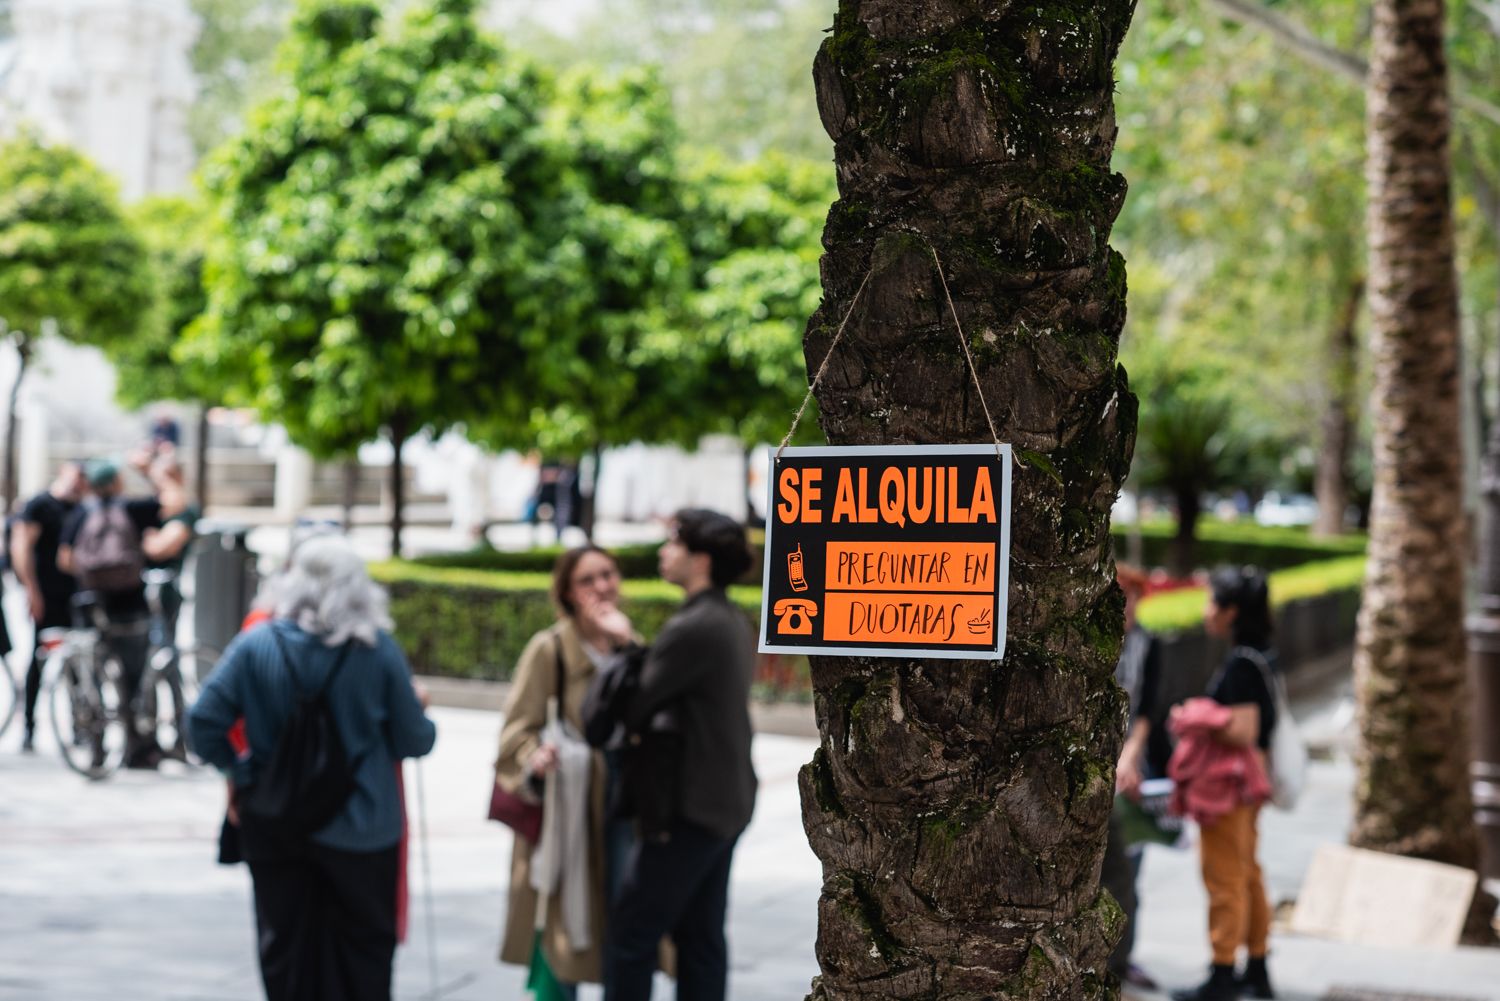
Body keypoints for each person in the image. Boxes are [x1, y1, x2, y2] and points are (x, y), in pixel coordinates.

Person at [186, 535, 436, 1001]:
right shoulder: (378, 652)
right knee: (363, 953)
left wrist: (242, 775)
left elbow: (203, 724)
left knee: (285, 951)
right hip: (363, 829)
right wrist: (419, 710)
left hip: (276, 825)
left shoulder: (255, 644)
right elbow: (414, 740)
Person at [599, 508, 757, 1001]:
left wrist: (625, 645)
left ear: (701, 559)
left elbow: (639, 699)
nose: (663, 552)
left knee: (632, 933)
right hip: (725, 800)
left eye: (673, 543)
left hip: (692, 806)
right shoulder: (728, 618)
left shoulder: (696, 626)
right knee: (700, 936)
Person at [494, 545, 635, 994]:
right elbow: (516, 731)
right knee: (559, 921)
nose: (601, 587)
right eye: (587, 580)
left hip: (622, 806)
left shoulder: (631, 644)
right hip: (567, 809)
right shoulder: (550, 649)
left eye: (608, 575)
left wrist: (629, 647)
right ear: (568, 593)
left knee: (625, 921)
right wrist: (536, 757)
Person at [1171, 567, 1277, 1001]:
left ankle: (1222, 974)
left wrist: (1195, 714)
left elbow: (1246, 728)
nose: (1205, 610)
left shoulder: (1241, 664)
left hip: (1226, 791)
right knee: (1247, 876)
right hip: (1245, 788)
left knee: (1224, 881)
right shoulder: (1259, 653)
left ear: (1231, 612)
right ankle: (1255, 968)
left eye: (1212, 602)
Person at [57, 459, 179, 768]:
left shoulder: (81, 513)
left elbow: (65, 559)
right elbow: (175, 504)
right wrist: (154, 471)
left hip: (91, 603)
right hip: (129, 603)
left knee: (92, 673)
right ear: (117, 482)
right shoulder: (133, 508)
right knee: (134, 675)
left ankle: (96, 743)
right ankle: (137, 748)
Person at [1100, 564, 1161, 990]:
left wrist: (1131, 755)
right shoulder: (1100, 640)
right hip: (1100, 761)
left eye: (1135, 596)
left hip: (1130, 765)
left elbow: (1149, 706)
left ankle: (1123, 957)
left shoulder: (1148, 643)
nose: (1130, 605)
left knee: (1131, 866)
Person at [11, 461, 86, 752]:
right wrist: (31, 590)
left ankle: (80, 724)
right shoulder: (39, 505)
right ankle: (29, 726)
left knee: (80, 660)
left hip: (76, 594)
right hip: (46, 592)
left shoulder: (82, 506)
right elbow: (21, 547)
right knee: (39, 658)